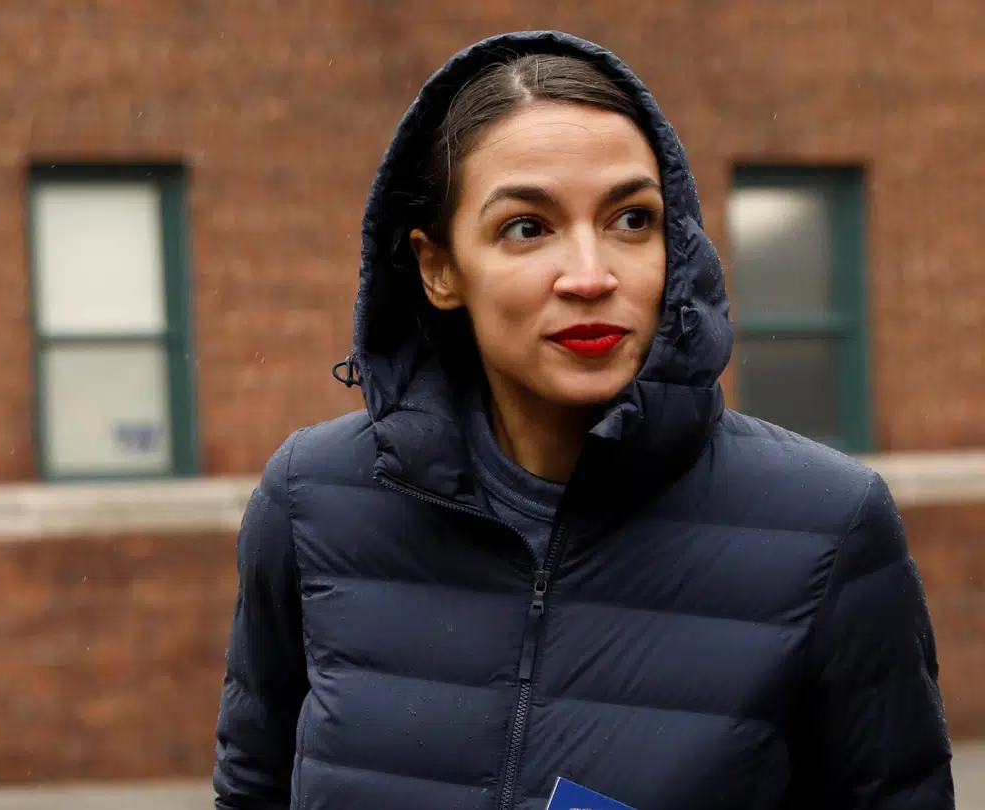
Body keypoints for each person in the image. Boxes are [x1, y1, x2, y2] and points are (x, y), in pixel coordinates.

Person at [212, 30, 953, 810]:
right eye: (527, 228)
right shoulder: (311, 501)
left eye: (632, 220)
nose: (592, 277)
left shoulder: (829, 528)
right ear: (438, 268)